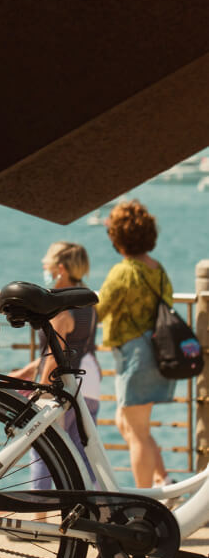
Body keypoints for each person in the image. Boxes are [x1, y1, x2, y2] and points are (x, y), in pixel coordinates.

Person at [96, 200, 175, 489]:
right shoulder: (159, 270)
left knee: (138, 432)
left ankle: (145, 502)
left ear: (117, 237)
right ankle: (164, 479)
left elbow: (98, 310)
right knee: (126, 423)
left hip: (134, 356)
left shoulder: (124, 272)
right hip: (156, 353)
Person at [11, 241, 101, 488]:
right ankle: (90, 506)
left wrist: (39, 387)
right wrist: (26, 370)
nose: (44, 265)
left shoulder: (61, 309)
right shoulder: (87, 302)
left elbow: (54, 355)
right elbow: (75, 346)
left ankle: (39, 517)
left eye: (47, 262)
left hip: (64, 384)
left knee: (42, 449)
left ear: (60, 268)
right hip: (90, 379)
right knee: (82, 451)